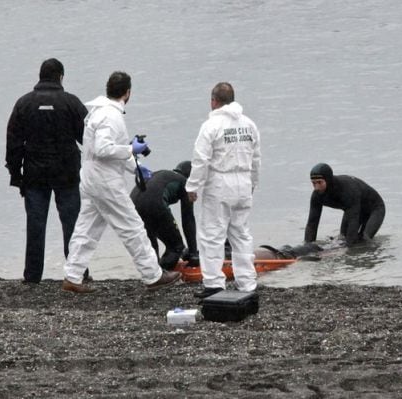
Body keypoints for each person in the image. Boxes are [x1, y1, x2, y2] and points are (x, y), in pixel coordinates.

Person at [61, 71, 181, 293]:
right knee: (132, 227)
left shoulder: (98, 112)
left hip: (90, 178)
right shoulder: (111, 116)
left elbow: (101, 151)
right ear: (127, 92)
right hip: (105, 182)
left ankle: (73, 275)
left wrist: (135, 166)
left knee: (86, 228)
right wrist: (130, 149)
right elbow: (103, 149)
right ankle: (152, 275)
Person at [6, 58, 90, 284]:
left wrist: (16, 175)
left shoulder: (24, 104)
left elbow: (13, 143)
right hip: (67, 174)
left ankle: (32, 276)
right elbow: (88, 139)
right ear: (60, 76)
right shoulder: (71, 102)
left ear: (40, 76)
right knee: (72, 224)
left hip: (34, 175)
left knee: (35, 225)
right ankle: (77, 273)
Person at [186, 82, 261, 298]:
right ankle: (247, 282)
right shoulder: (249, 124)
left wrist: (192, 186)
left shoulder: (211, 126)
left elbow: (201, 159)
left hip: (220, 182)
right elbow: (256, 157)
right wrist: (254, 182)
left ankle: (214, 283)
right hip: (244, 181)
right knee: (241, 234)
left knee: (212, 235)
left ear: (213, 101)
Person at [130, 161, 198, 270]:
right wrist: (193, 254)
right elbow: (188, 219)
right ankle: (162, 274)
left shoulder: (164, 174)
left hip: (132, 204)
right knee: (176, 247)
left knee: (151, 247)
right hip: (154, 203)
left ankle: (152, 275)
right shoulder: (186, 183)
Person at [305, 163, 385, 246]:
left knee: (364, 239)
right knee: (342, 238)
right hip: (352, 208)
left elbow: (352, 223)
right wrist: (307, 247)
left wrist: (347, 250)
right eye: (314, 183)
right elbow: (312, 224)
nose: (316, 187)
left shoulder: (347, 190)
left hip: (375, 209)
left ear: (328, 180)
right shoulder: (316, 196)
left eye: (319, 182)